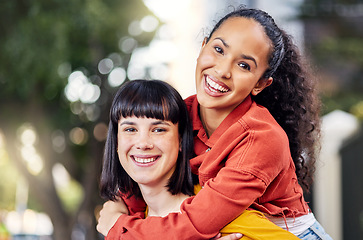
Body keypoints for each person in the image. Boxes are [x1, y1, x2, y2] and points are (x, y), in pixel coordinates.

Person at [97, 7, 332, 240]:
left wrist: (118, 229)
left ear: (260, 83)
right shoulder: (179, 114)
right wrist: (117, 209)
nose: (222, 70)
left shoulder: (262, 138)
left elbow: (196, 223)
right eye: (219, 50)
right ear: (203, 47)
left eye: (244, 65)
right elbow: (138, 186)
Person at [99, 79, 300, 240]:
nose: (143, 143)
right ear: (115, 142)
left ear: (180, 141)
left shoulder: (221, 218)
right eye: (130, 129)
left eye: (159, 129)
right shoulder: (131, 218)